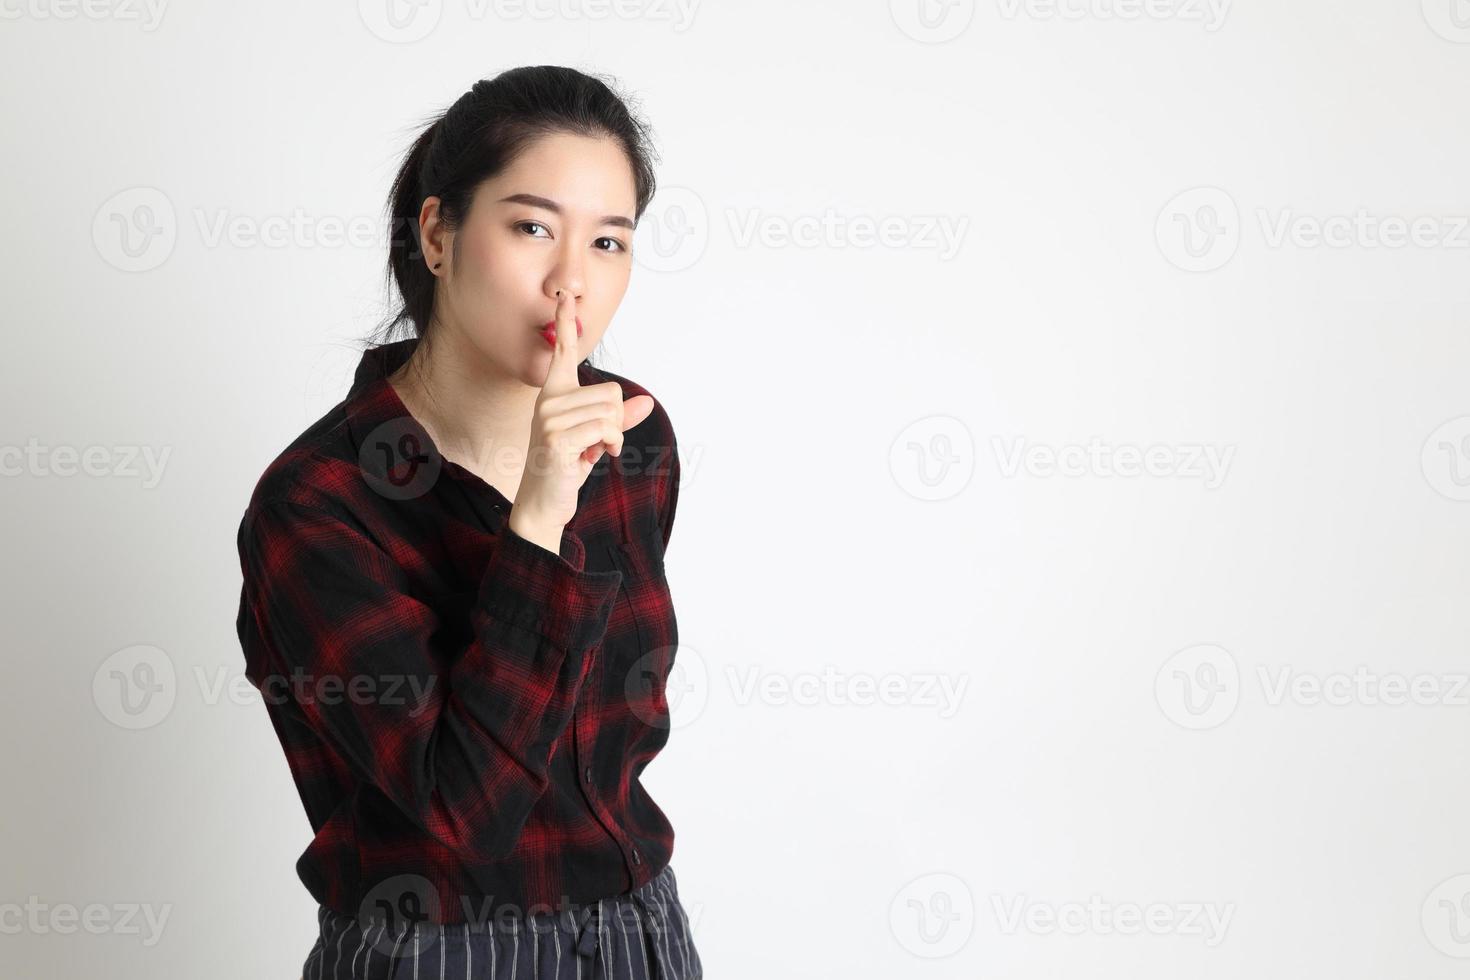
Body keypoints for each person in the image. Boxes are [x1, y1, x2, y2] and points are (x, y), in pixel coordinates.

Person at [235, 65, 702, 979]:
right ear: (439, 234)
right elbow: (465, 810)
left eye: (609, 243)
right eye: (531, 228)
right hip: (438, 948)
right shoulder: (319, 502)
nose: (572, 282)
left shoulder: (632, 440)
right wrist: (536, 523)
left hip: (642, 931)